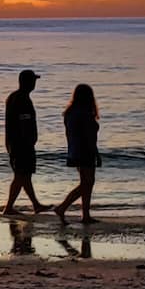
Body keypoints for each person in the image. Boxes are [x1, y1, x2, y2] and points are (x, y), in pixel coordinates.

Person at [53, 84, 102, 224]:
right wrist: (96, 153)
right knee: (87, 183)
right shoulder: (84, 113)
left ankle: (85, 215)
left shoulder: (71, 112)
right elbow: (89, 136)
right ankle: (63, 207)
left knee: (86, 182)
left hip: (75, 150)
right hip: (85, 150)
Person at [2, 70, 48, 215]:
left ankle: (35, 205)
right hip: (22, 145)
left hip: (15, 143)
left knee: (24, 175)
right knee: (21, 175)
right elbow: (24, 122)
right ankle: (9, 208)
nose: (35, 83)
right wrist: (28, 141)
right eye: (33, 80)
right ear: (27, 82)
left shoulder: (14, 97)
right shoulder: (22, 99)